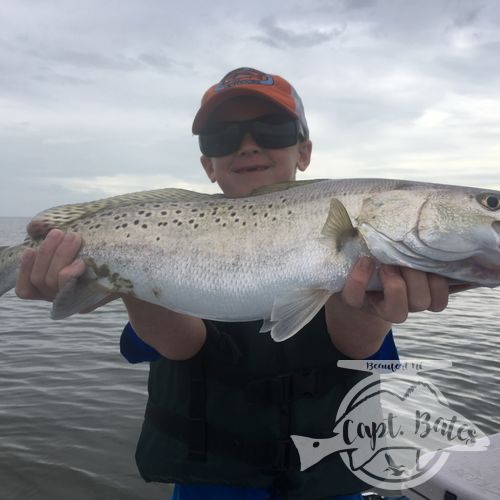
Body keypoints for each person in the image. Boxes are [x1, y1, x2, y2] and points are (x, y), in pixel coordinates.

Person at [15, 67, 450, 499]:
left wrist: (368, 309)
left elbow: (357, 349)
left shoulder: (359, 235)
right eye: (222, 136)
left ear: (304, 150)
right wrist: (122, 272)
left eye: (272, 128)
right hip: (207, 487)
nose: (247, 145)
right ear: (207, 164)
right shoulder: (164, 229)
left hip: (326, 484)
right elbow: (181, 345)